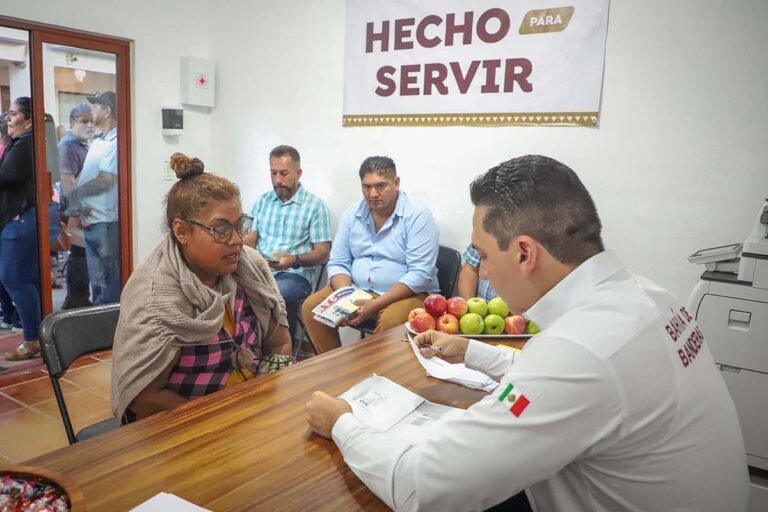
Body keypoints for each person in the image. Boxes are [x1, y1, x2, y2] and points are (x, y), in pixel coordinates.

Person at [305, 155, 749, 511]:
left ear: (523, 254)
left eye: (481, 255)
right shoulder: (650, 297)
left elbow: (423, 490)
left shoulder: (577, 353)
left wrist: (341, 422)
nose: (481, 271)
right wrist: (474, 352)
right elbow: (566, 382)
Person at [111, 153, 293, 424]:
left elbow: (279, 343)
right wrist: (222, 420)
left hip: (249, 412)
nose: (237, 240)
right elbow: (145, 398)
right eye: (221, 229)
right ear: (182, 231)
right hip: (183, 427)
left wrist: (260, 402)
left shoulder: (250, 267)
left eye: (240, 225)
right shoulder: (155, 297)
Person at [301, 156, 440, 353]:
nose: (373, 193)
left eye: (380, 186)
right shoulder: (352, 213)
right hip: (357, 289)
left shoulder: (417, 215)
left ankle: (376, 375)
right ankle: (331, 365)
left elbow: (420, 274)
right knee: (311, 307)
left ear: (396, 183)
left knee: (391, 321)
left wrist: (375, 305)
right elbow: (339, 261)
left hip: (407, 294)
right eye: (366, 187)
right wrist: (345, 296)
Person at [243, 145, 331, 337]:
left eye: (284, 173)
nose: (278, 180)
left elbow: (323, 252)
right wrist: (239, 242)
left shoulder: (315, 207)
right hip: (261, 269)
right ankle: (247, 348)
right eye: (273, 173)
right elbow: (250, 239)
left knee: (270, 296)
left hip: (295, 275)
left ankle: (278, 353)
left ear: (298, 173)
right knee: (230, 287)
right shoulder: (261, 201)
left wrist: (294, 259)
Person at [0, 97, 42, 361]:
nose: (8, 118)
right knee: (19, 279)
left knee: (15, 279)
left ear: (29, 121)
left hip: (21, 219)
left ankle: (32, 339)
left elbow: (7, 175)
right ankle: (35, 334)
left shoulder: (27, 144)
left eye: (14, 114)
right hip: (16, 219)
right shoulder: (20, 143)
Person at [69, 91, 120, 304]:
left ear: (107, 111)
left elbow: (106, 179)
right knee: (97, 281)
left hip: (105, 221)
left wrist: (77, 194)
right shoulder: (100, 141)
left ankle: (107, 331)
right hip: (93, 219)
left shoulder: (117, 141)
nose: (92, 111)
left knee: (108, 282)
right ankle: (99, 329)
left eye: (96, 107)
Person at [58, 103, 95, 309]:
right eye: (83, 121)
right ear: (73, 122)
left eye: (91, 121)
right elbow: (68, 181)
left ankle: (78, 299)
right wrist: (77, 212)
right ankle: (76, 301)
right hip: (74, 211)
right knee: (79, 255)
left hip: (82, 209)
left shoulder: (82, 144)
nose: (89, 125)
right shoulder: (69, 145)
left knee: (83, 255)